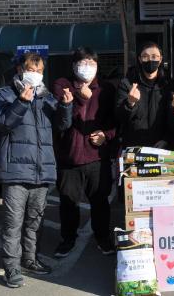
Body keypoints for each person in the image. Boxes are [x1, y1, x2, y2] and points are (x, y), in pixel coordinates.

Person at [0, 52, 73, 288]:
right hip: (15, 171)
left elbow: (62, 125)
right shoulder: (4, 95)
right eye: (30, 69)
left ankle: (30, 259)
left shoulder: (46, 97)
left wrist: (66, 106)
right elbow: (3, 123)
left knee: (35, 220)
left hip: (41, 169)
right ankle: (11, 268)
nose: (35, 74)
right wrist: (21, 102)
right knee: (13, 223)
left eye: (39, 71)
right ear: (19, 70)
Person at [52, 47, 117, 258]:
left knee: (100, 201)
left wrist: (106, 135)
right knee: (68, 202)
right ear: (73, 66)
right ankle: (67, 239)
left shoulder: (106, 89)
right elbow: (61, 122)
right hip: (68, 158)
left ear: (97, 66)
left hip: (97, 157)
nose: (87, 67)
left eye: (91, 63)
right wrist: (81, 99)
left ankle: (103, 238)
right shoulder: (62, 85)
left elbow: (115, 121)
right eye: (82, 62)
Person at [115, 42, 174, 149]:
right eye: (145, 56)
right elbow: (119, 118)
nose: (150, 60)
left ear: (160, 59)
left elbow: (172, 118)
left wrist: (166, 139)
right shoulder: (127, 83)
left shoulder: (168, 84)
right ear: (139, 59)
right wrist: (130, 103)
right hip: (133, 147)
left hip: (161, 147)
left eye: (154, 56)